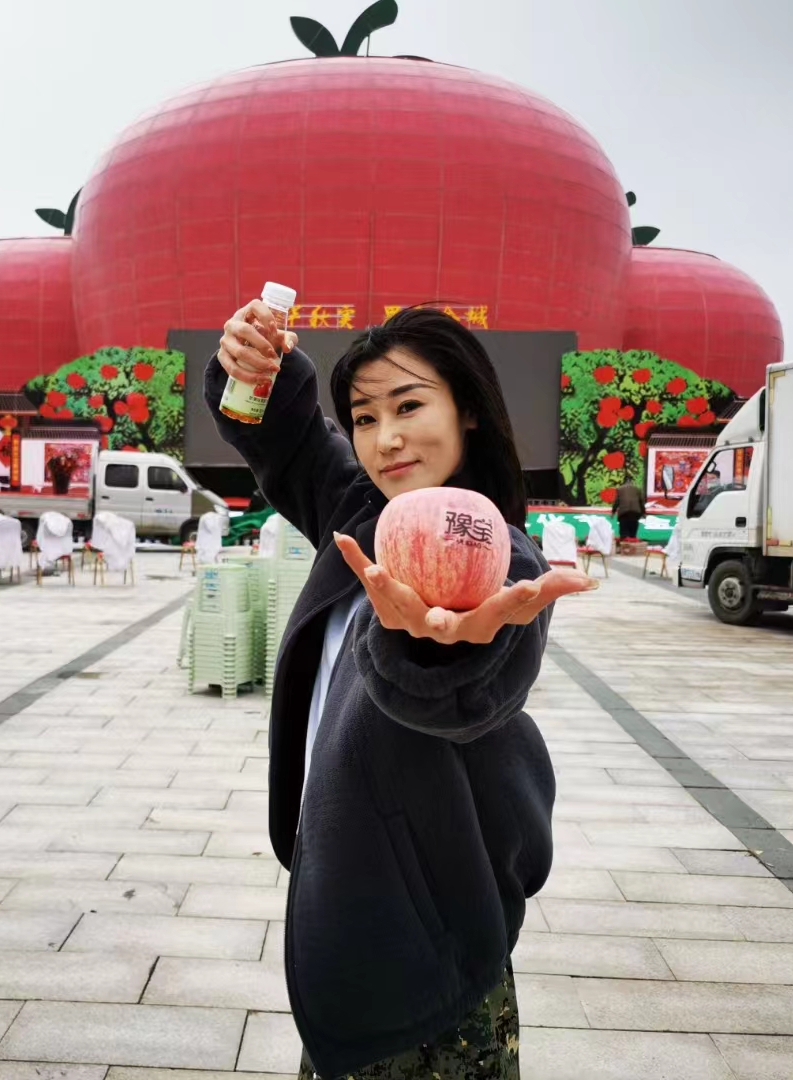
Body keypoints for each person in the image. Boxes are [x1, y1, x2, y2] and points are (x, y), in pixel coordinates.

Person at [209, 301, 595, 1080]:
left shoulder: (497, 558)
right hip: (353, 912)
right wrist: (253, 363)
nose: (385, 439)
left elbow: (460, 695)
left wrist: (437, 648)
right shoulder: (360, 514)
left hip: (430, 958)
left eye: (411, 406)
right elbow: (287, 436)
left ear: (470, 414)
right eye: (363, 415)